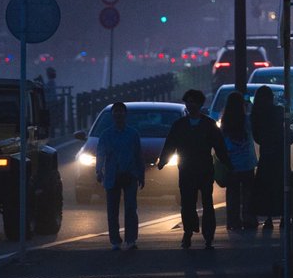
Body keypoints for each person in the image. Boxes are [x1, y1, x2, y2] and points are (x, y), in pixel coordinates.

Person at [157, 87, 230, 249]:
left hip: (204, 169)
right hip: (186, 169)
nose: (190, 105)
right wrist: (163, 160)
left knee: (207, 203)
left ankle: (208, 235)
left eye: (193, 102)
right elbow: (170, 144)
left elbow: (219, 147)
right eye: (188, 102)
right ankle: (188, 232)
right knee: (187, 203)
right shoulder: (180, 125)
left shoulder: (209, 124)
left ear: (199, 104)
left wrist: (227, 162)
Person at [95, 99, 145, 251]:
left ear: (125, 114)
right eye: (115, 111)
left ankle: (131, 240)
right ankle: (115, 241)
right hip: (112, 175)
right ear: (112, 114)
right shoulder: (106, 134)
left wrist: (141, 175)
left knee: (130, 208)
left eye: (120, 111)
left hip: (130, 174)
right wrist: (98, 170)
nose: (118, 114)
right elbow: (100, 154)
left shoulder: (133, 134)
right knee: (112, 210)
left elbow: (138, 155)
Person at [250, 84, 293, 232]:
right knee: (282, 184)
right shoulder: (279, 110)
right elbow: (290, 125)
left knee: (266, 186)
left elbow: (256, 137)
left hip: (266, 153)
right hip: (280, 153)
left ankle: (268, 218)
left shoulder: (256, 114)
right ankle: (284, 216)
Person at [220, 90, 257, 232]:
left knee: (233, 194)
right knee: (248, 193)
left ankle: (233, 221)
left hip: (232, 164)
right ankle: (249, 218)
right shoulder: (247, 120)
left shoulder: (225, 122)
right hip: (247, 163)